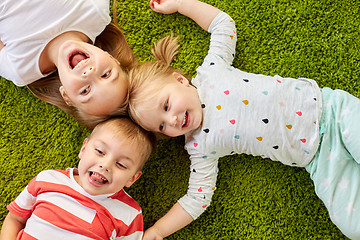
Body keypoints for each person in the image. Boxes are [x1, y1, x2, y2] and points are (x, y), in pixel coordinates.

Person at [127, 0, 360, 239]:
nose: (173, 120)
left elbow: (223, 25)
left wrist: (181, 4)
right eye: (162, 126)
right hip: (319, 160)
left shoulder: (210, 71)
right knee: (353, 226)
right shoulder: (199, 147)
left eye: (166, 105)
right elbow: (197, 198)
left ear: (179, 80)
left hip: (331, 111)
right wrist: (158, 230)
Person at [0, 117, 156, 240]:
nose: (105, 165)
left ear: (132, 179)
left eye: (121, 165)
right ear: (83, 148)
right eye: (100, 151)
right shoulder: (48, 179)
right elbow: (15, 220)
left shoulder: (129, 213)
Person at [0, 0, 135, 129]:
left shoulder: (21, 69)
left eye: (85, 91)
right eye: (106, 74)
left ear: (66, 95)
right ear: (111, 58)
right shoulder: (95, 13)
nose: (89, 73)